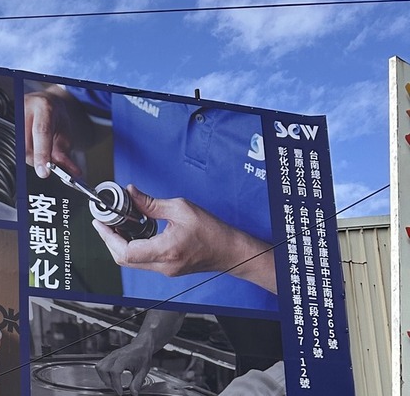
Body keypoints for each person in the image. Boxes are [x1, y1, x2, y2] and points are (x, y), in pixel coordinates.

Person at [24, 85, 278, 309]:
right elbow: (82, 104)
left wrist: (235, 255)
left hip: (262, 331)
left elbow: (317, 284)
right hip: (147, 300)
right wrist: (51, 108)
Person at [94, 308, 287, 396]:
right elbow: (179, 288)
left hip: (305, 395)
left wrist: (280, 381)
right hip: (249, 390)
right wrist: (145, 341)